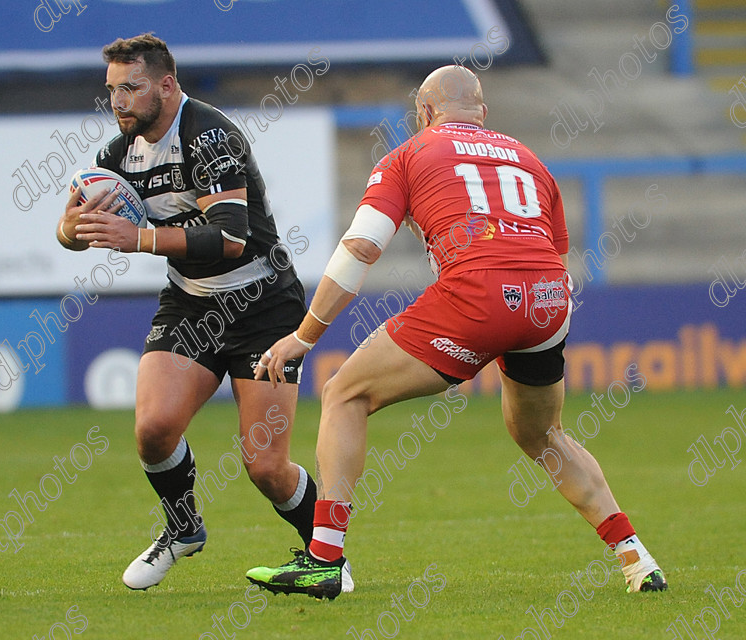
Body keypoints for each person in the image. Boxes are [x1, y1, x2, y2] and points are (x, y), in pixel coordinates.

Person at [244, 65, 667, 599]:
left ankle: (325, 560)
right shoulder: (528, 158)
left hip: (477, 295)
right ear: (482, 113)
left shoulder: (410, 153)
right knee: (543, 435)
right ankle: (636, 558)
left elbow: (360, 247)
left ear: (424, 113)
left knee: (344, 393)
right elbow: (553, 252)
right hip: (548, 298)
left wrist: (303, 337)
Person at [56, 33, 353, 592]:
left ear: (166, 85)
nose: (118, 101)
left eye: (131, 88)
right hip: (190, 302)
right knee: (153, 429)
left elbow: (234, 239)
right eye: (112, 90)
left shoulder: (210, 135)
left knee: (266, 467)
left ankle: (327, 559)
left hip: (261, 303)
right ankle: (183, 528)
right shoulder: (115, 157)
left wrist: (139, 237)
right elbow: (73, 230)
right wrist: (70, 230)